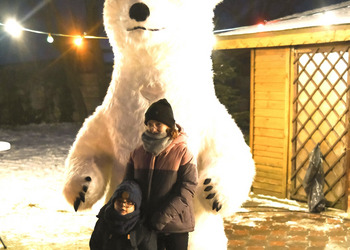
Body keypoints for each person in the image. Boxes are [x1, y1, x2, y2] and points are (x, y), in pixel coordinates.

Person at [124, 98, 198, 250]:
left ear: (169, 126)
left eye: (158, 124)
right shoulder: (137, 153)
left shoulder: (183, 152)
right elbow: (127, 185)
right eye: (150, 124)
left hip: (175, 226)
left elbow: (188, 189)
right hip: (146, 224)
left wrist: (162, 217)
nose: (153, 128)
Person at [90, 180, 157, 250]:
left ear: (136, 205)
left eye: (129, 202)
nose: (123, 205)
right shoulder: (104, 221)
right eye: (119, 201)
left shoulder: (143, 228)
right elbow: (95, 245)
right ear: (113, 202)